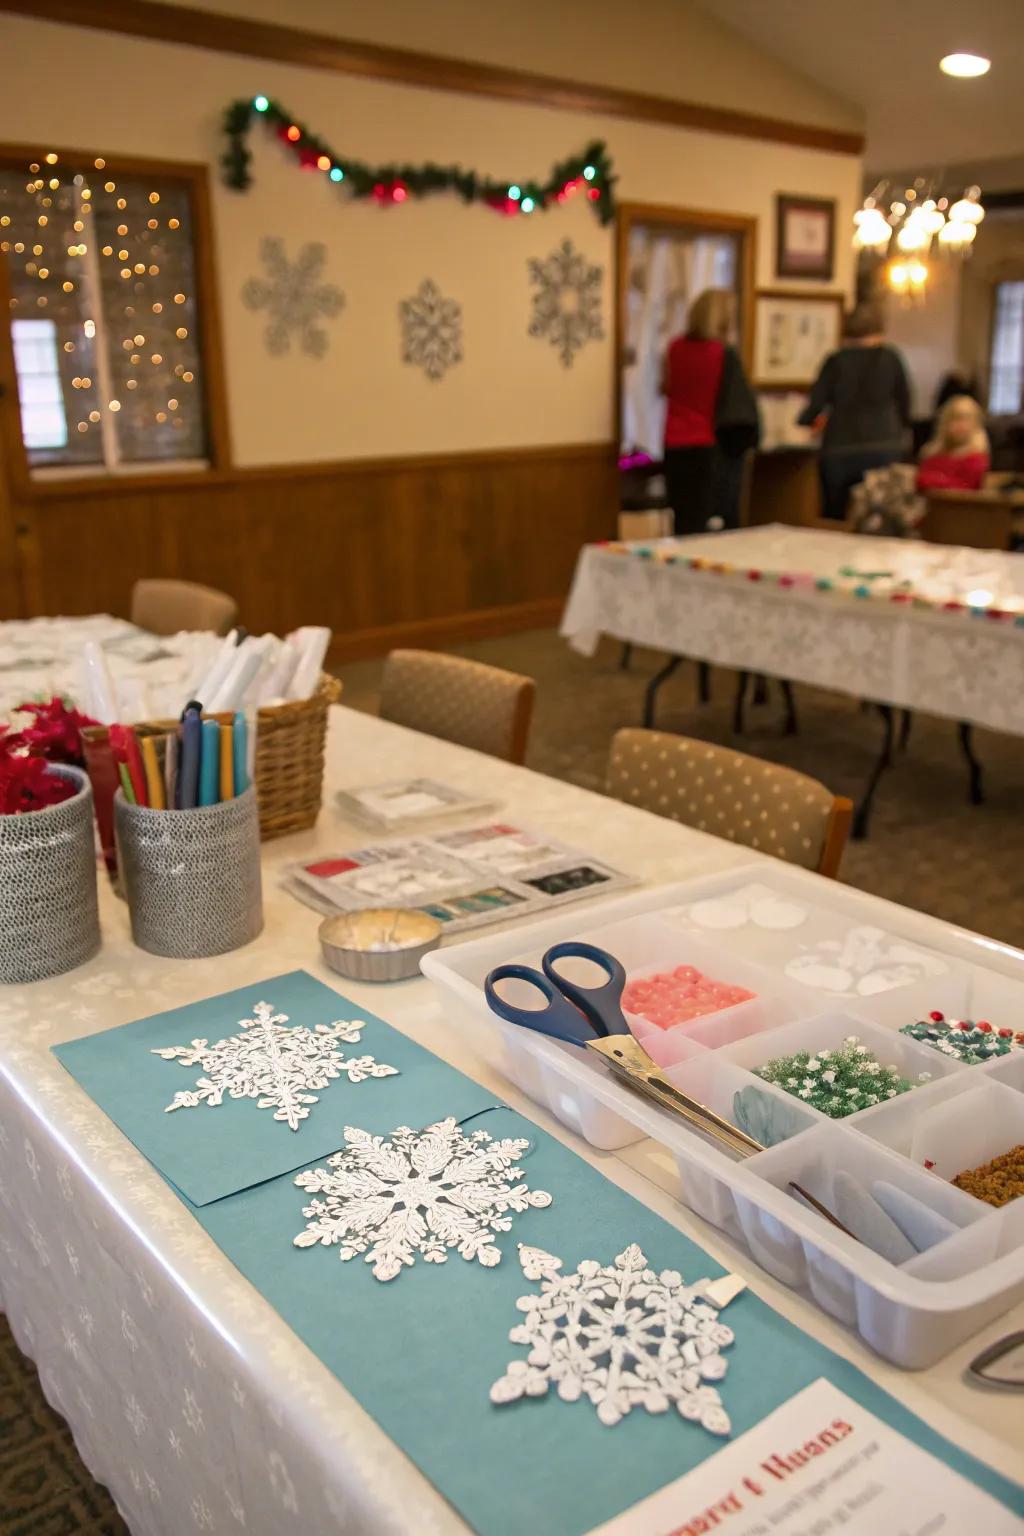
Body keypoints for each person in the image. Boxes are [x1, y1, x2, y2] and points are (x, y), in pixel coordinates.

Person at [798, 303, 911, 522]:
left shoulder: (836, 361)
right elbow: (905, 401)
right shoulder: (890, 358)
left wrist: (804, 423)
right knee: (880, 517)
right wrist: (903, 432)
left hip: (841, 446)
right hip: (883, 444)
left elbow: (816, 404)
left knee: (834, 515)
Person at [660, 288, 758, 535]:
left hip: (674, 442)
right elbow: (734, 405)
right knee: (709, 522)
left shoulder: (675, 348)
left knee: (682, 519)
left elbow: (665, 388)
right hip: (707, 443)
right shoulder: (722, 354)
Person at [916, 394, 990, 492]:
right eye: (955, 419)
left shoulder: (976, 459)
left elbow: (963, 487)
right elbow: (920, 480)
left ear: (975, 424)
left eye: (966, 419)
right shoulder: (933, 454)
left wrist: (935, 480)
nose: (961, 425)